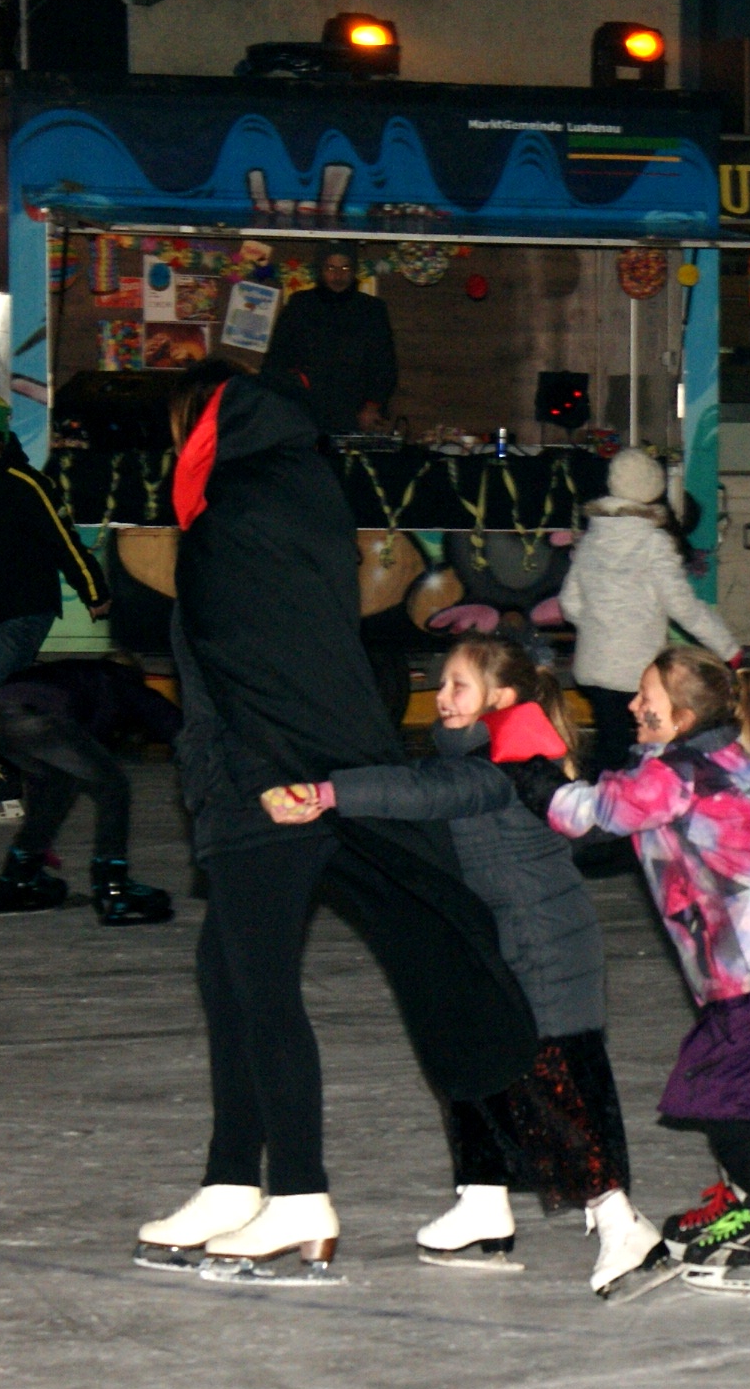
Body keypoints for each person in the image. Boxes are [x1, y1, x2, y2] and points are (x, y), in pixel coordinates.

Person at [132, 362, 614, 1284]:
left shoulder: (234, 519)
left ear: (205, 429)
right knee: (228, 981)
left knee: (258, 991)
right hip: (305, 768)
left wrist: (265, 778)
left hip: (267, 784)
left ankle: (298, 1196)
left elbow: (240, 662)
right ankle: (231, 1180)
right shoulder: (299, 506)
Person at [269, 635, 668, 1299]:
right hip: (504, 941)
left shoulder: (503, 764)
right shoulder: (475, 757)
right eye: (443, 682)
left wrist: (330, 792)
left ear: (501, 698)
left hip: (547, 946)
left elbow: (424, 793)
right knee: (475, 1059)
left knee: (550, 1084)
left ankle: (622, 1223)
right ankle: (483, 1201)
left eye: (459, 686)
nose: (442, 697)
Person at [547, 646, 750, 1296]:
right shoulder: (713, 754)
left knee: (721, 1093)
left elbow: (598, 814)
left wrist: (538, 785)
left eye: (644, 696)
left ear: (680, 717)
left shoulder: (679, 774)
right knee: (714, 1082)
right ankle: (744, 1200)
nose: (631, 705)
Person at [0, 393, 112, 824]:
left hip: (29, 603)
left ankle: (7, 778)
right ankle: (42, 767)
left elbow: (63, 541)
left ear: (1, 437)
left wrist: (93, 589)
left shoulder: (28, 484)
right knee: (13, 691)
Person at [556, 449, 740, 773]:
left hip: (594, 665)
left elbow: (569, 602)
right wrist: (726, 647)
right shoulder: (654, 543)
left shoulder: (592, 539)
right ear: (654, 489)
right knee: (644, 749)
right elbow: (681, 605)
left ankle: (600, 796)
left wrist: (601, 626)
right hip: (637, 670)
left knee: (610, 744)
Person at [0, 655, 180, 924]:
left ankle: (18, 879)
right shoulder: (117, 679)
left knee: (56, 786)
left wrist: (38, 843)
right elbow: (164, 717)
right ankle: (113, 887)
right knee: (113, 785)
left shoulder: (77, 677)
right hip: (41, 715)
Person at [260, 243, 398, 437]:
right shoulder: (300, 305)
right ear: (320, 270)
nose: (338, 275)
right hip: (304, 408)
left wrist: (372, 406)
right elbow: (277, 358)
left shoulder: (371, 309)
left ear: (354, 271)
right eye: (331, 268)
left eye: (345, 268)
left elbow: (384, 363)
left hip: (355, 410)